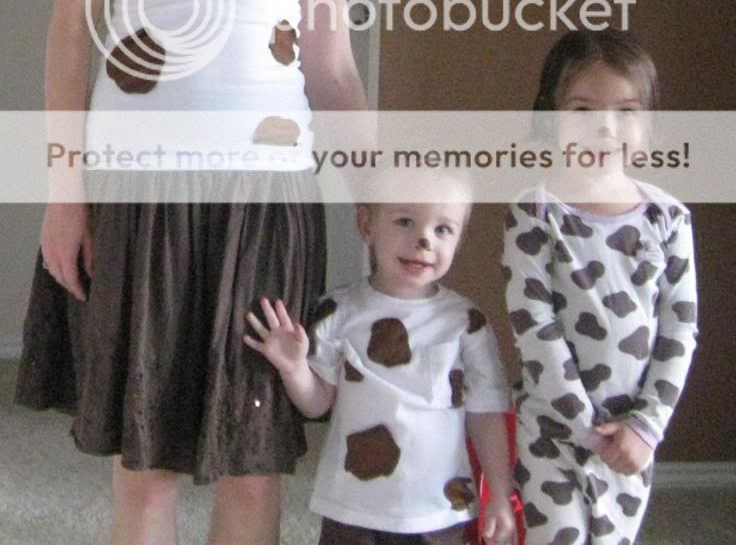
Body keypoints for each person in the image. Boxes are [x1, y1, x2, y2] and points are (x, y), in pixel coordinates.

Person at [15, 0, 369, 545]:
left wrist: (376, 187)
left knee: (253, 462)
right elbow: (71, 24)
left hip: (268, 196)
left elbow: (329, 61)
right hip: (147, 187)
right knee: (151, 465)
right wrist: (65, 193)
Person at [502, 29, 698, 545]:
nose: (604, 128)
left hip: (630, 437)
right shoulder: (534, 213)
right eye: (583, 110)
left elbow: (680, 331)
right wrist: (583, 427)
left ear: (648, 125)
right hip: (552, 431)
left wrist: (647, 426)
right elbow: (533, 324)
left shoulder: (669, 219)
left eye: (626, 111)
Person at [245, 178, 517, 545]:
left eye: (442, 230)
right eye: (405, 222)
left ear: (459, 239)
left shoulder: (466, 322)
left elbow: (486, 415)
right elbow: (317, 404)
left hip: (437, 507)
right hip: (352, 505)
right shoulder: (338, 311)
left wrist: (499, 495)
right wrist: (293, 368)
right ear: (366, 225)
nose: (424, 240)